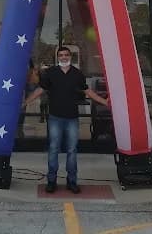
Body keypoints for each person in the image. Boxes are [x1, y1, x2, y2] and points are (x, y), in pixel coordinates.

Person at [23, 46, 109, 194]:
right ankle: (51, 181)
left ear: (70, 57)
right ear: (58, 57)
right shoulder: (50, 73)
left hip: (72, 119)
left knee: (72, 150)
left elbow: (88, 91)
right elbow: (40, 90)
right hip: (55, 117)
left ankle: (72, 181)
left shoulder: (77, 74)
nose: (63, 57)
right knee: (53, 149)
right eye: (61, 55)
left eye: (66, 55)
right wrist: (25, 102)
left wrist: (104, 102)